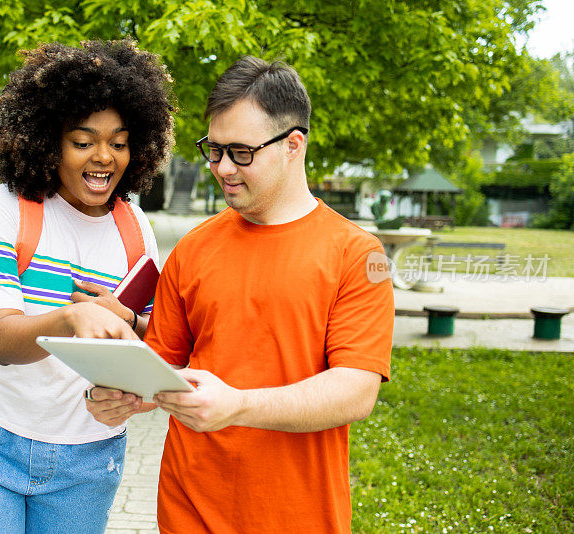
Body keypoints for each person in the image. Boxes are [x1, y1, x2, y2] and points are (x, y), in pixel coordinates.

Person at [86, 56, 394, 533]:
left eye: (241, 152)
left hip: (298, 515)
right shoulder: (193, 248)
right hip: (189, 508)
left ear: (293, 145)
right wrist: (122, 393)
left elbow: (355, 392)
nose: (222, 167)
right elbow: (163, 370)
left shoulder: (358, 255)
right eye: (214, 149)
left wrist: (241, 405)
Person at [0, 40, 175, 533]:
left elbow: (152, 343)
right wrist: (70, 318)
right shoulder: (3, 210)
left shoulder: (136, 230)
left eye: (119, 142)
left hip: (86, 456)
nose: (104, 157)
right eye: (83, 141)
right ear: (48, 141)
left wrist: (130, 327)